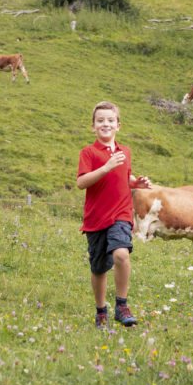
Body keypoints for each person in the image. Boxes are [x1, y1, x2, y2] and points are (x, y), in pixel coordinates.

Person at [76, 101, 151, 328]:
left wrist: (136, 182)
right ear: (93, 127)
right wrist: (106, 167)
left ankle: (122, 305)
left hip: (120, 214)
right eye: (100, 121)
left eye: (110, 120)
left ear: (118, 125)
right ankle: (101, 311)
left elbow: (124, 176)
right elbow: (81, 182)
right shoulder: (88, 152)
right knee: (98, 268)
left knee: (121, 254)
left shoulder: (125, 151)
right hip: (96, 218)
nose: (105, 124)